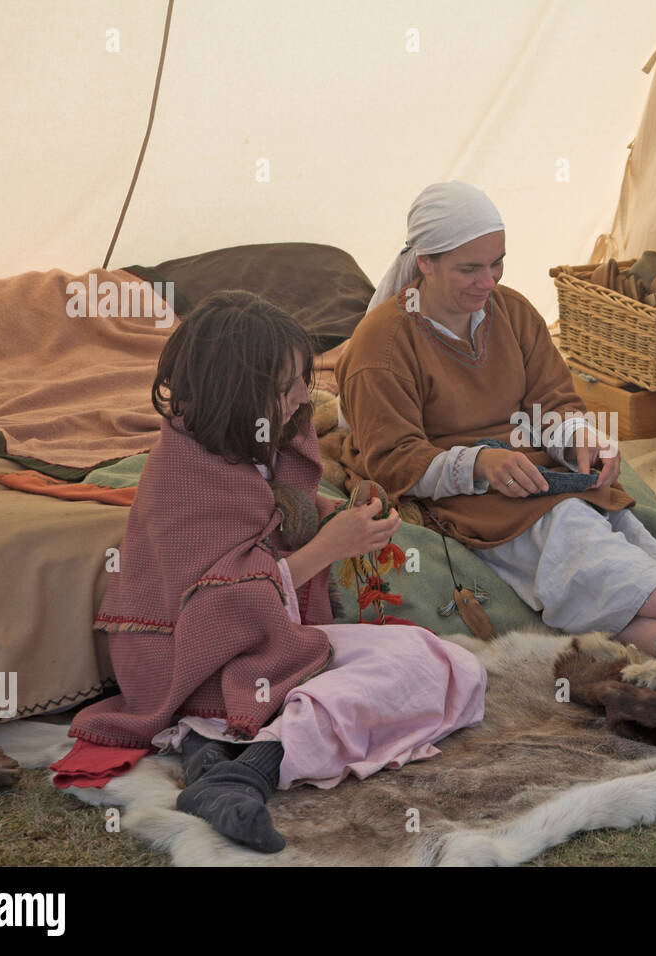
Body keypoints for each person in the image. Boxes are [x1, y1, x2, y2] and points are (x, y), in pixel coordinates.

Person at [66, 290, 486, 853]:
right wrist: (329, 548)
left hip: (267, 643)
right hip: (189, 661)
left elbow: (270, 527)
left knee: (446, 664)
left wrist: (339, 515)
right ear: (235, 391)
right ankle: (245, 768)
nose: (301, 397)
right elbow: (216, 603)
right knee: (388, 681)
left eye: (300, 381)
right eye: (285, 385)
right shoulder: (183, 471)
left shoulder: (264, 446)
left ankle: (220, 764)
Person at [336, 182, 656, 666]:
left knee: (616, 524)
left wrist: (579, 439)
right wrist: (481, 464)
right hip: (463, 494)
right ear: (425, 262)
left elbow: (554, 400)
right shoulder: (383, 345)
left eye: (497, 262)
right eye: (469, 269)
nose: (489, 281)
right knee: (567, 530)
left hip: (534, 472)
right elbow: (392, 458)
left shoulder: (513, 312)